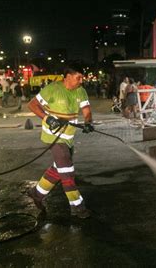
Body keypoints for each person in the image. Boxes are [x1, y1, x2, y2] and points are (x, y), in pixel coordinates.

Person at [27, 63, 94, 219]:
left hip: (68, 138)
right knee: (67, 173)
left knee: (58, 170)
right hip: (54, 137)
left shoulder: (80, 91)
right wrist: (47, 118)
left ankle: (36, 194)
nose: (81, 81)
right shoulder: (53, 89)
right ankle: (77, 207)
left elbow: (87, 111)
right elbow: (32, 104)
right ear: (68, 76)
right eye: (78, 77)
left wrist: (88, 122)